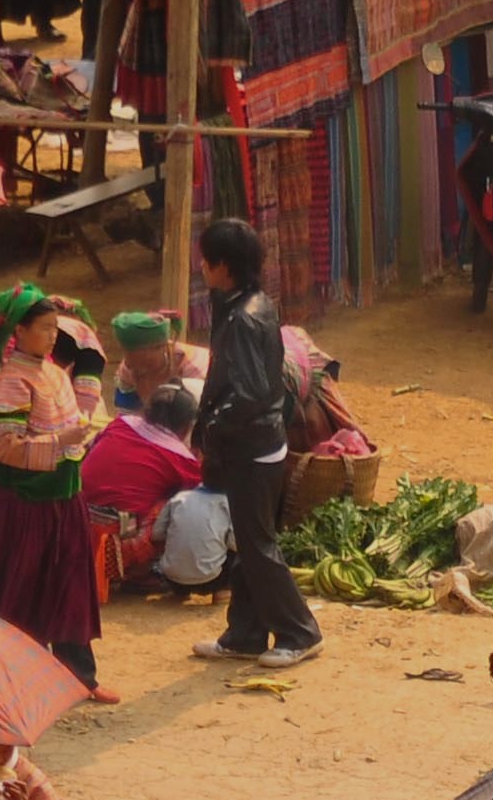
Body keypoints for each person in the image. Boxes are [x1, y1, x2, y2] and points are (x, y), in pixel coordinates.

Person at [0, 286, 108, 692]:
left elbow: (69, 427)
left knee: (70, 585)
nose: (53, 336)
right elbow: (5, 449)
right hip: (23, 506)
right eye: (45, 328)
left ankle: (78, 677)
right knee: (20, 590)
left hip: (64, 498)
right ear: (20, 330)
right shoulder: (9, 383)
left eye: (56, 328)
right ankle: (17, 679)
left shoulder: (54, 373)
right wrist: (62, 441)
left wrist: (78, 436)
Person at [180, 222, 322, 668]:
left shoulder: (242, 317)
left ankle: (300, 631)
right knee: (247, 542)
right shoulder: (251, 304)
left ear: (223, 266)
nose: (201, 267)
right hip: (260, 443)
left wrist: (210, 429)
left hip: (251, 449)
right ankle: (244, 632)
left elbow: (249, 392)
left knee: (257, 546)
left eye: (205, 260)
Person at [83, 381, 220, 594]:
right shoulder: (179, 457)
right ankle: (137, 570)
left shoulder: (121, 423)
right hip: (108, 541)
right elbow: (209, 491)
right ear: (185, 426)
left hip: (73, 524)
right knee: (180, 500)